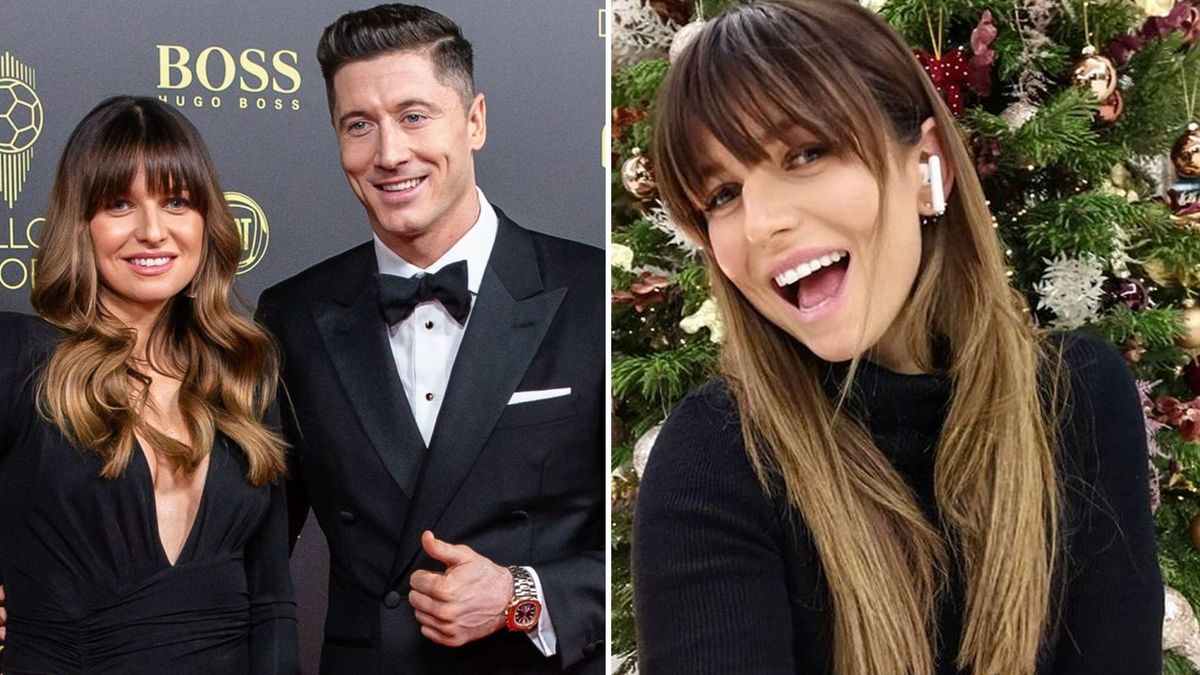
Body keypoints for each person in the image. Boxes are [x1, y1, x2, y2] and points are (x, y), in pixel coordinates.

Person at [633, 1, 1163, 674]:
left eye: (806, 153)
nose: (762, 224)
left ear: (926, 163)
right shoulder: (713, 459)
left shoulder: (1076, 395)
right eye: (722, 195)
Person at [256, 4, 604, 674]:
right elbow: (253, 551)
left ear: (474, 121)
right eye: (360, 125)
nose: (389, 154)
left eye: (414, 116)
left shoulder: (588, 293)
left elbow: (644, 548)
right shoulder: (292, 315)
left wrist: (520, 595)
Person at [0, 96, 297, 673]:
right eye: (119, 204)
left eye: (176, 202)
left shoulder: (244, 374)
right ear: (80, 224)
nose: (153, 231)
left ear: (206, 219)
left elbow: (272, 600)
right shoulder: (22, 358)